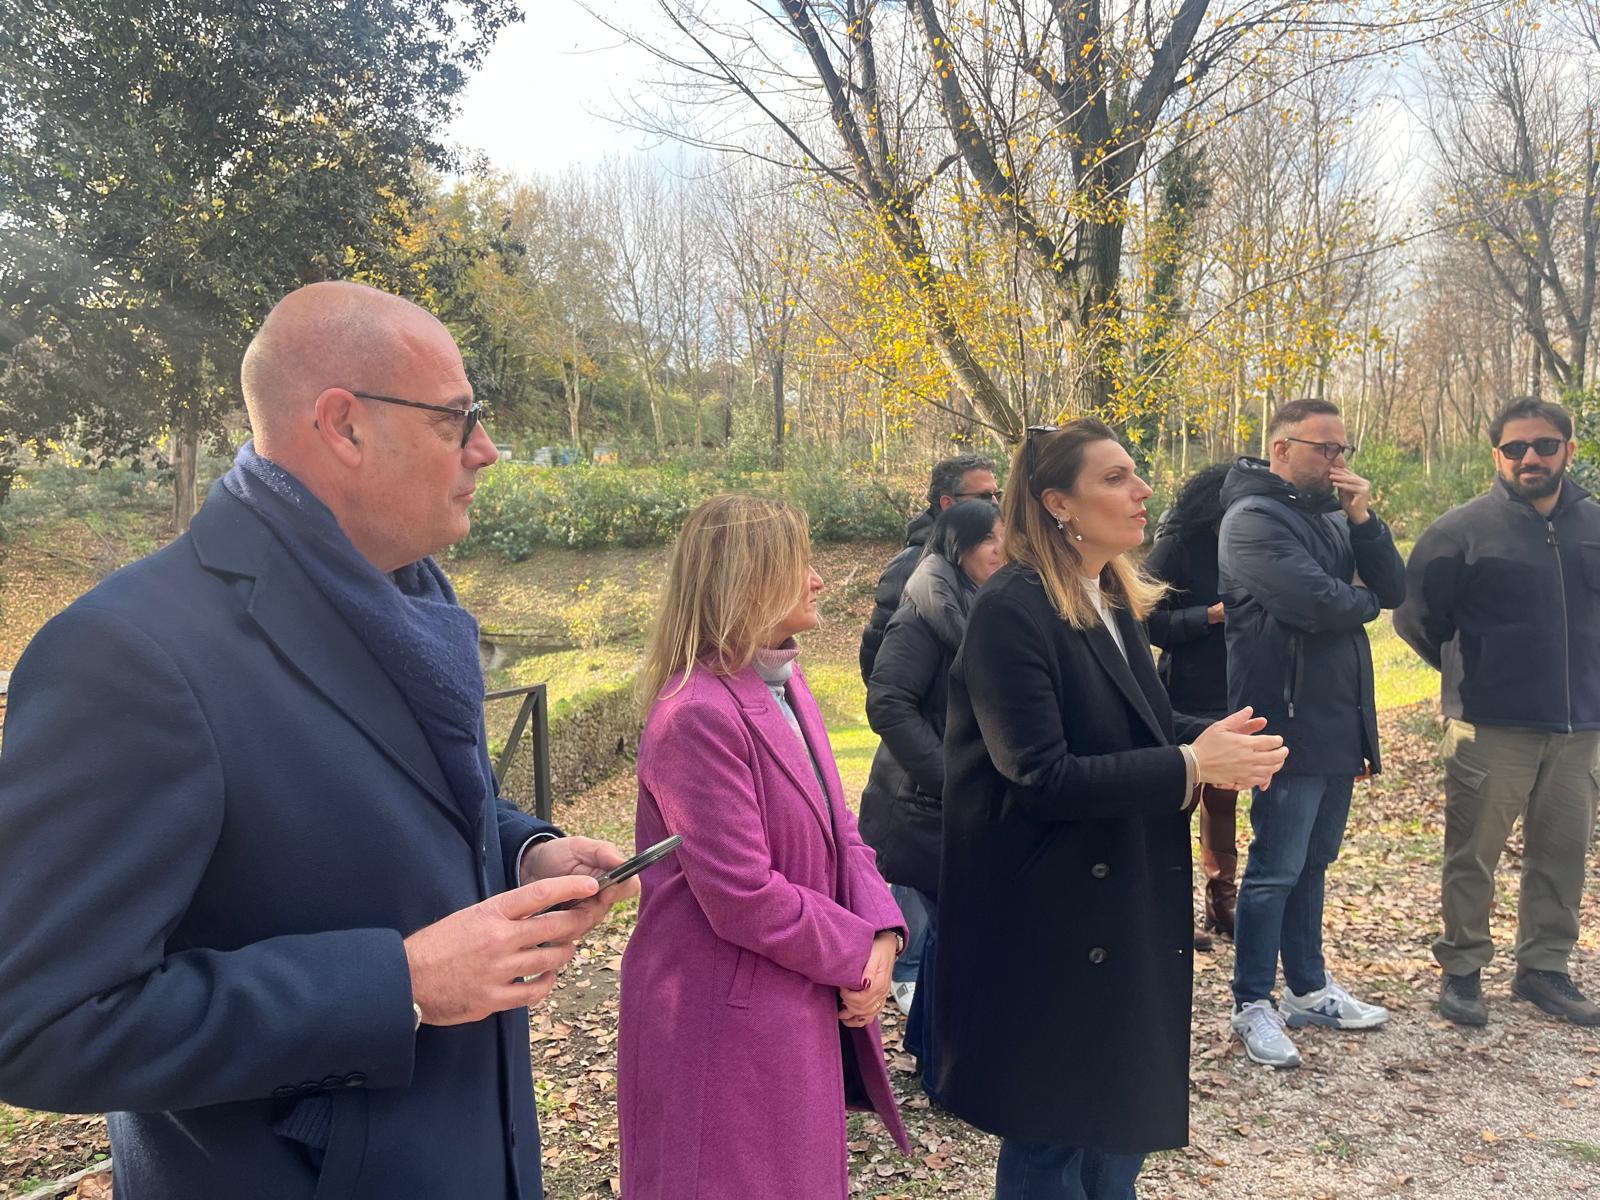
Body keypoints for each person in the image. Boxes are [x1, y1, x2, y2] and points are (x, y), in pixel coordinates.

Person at [0, 282, 637, 1200]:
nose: (486, 450)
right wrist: (399, 985)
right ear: (344, 425)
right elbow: (43, 1024)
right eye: (456, 420)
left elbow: (399, 799)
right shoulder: (128, 653)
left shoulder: (405, 604)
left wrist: (524, 850)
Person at [933, 419, 1288, 1199]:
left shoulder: (1112, 595)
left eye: (1136, 472)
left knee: (1117, 1128)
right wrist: (1193, 763)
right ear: (1057, 502)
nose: (1142, 490)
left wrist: (1215, 739)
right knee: (1054, 1138)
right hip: (1052, 915)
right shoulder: (1012, 609)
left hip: (1121, 895)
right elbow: (1040, 775)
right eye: (1116, 478)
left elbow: (1139, 725)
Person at [619, 495, 910, 1200]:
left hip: (788, 993)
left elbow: (840, 825)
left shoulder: (783, 680)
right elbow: (742, 894)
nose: (817, 579)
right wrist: (856, 954)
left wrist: (882, 933)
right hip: (723, 1018)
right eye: (797, 563)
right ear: (747, 581)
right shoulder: (695, 713)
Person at [1395, 397, 1600, 1027]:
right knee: (1472, 854)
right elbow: (1416, 618)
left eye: (1544, 445)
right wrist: (1474, 672)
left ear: (1569, 449)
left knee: (1561, 855)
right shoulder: (1459, 531)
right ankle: (1462, 971)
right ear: (1497, 455)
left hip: (1581, 728)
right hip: (1488, 725)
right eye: (1515, 448)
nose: (1530, 457)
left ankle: (1544, 968)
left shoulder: (1595, 524)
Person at [1218, 398, 1406, 1069]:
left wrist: (1364, 520)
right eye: (1324, 448)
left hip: (1338, 717)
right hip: (1285, 719)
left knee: (1313, 863)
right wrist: (1360, 600)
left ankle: (1306, 988)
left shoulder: (1330, 514)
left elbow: (1393, 587)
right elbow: (1319, 603)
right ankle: (1251, 1002)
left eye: (1342, 449)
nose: (1336, 461)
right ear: (1281, 448)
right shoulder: (1251, 518)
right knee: (1274, 868)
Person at [857, 453, 998, 1015]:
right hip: (923, 795)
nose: (1003, 548)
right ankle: (923, 1015)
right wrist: (949, 774)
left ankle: (936, 1025)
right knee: (929, 930)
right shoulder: (920, 597)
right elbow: (887, 694)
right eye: (989, 536)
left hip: (958, 795)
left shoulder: (982, 600)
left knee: (953, 931)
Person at [1147, 463, 1238, 945]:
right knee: (1177, 802)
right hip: (1184, 694)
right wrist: (1208, 617)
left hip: (1235, 691)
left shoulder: (1249, 542)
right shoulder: (1177, 547)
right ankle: (1169, 909)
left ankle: (1222, 902)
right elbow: (1140, 619)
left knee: (1223, 800)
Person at [859, 452, 998, 684]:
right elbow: (879, 667)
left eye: (997, 495)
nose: (995, 504)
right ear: (948, 504)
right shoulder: (908, 567)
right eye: (984, 497)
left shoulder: (993, 561)